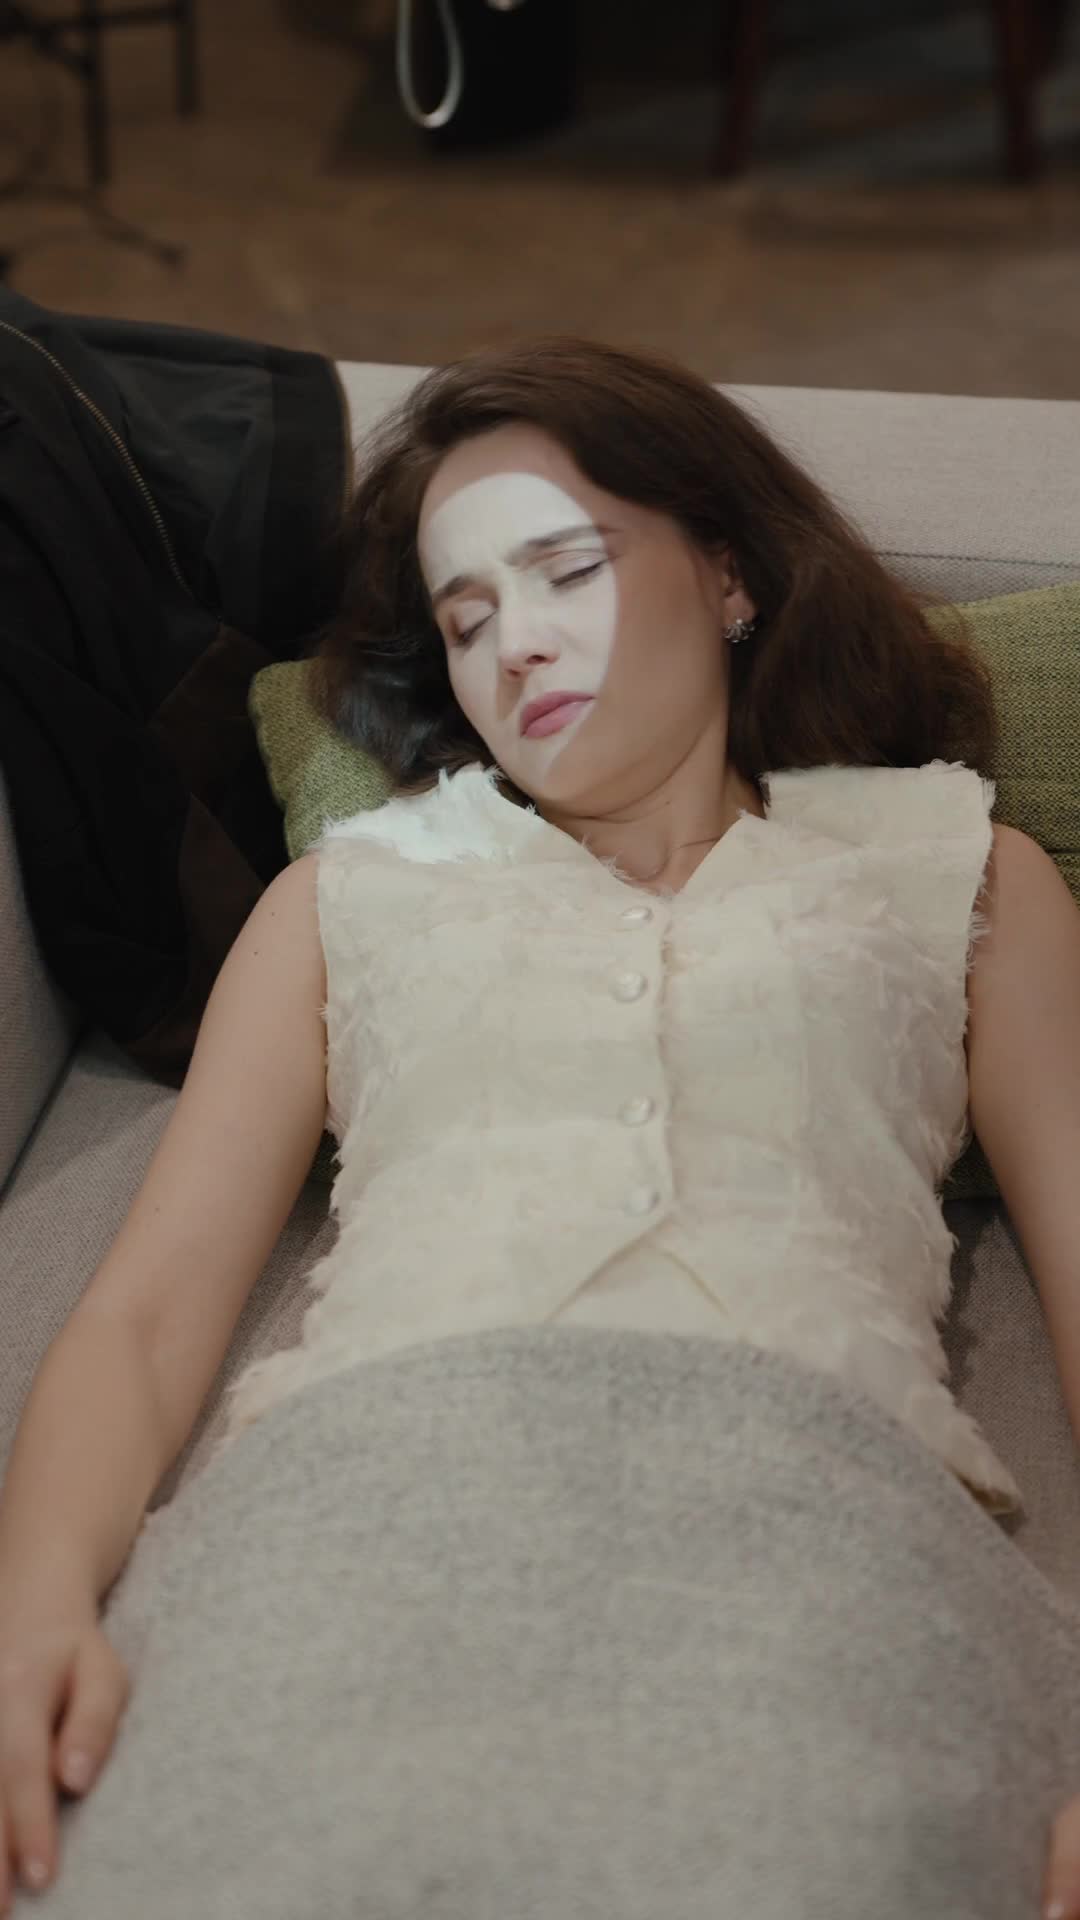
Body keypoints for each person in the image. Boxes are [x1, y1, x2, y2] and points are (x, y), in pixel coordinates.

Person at [3, 334, 1080, 1919]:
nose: (516, 644)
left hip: (811, 1540)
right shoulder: (349, 895)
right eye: (465, 618)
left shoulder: (962, 869)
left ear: (727, 574)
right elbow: (149, 1316)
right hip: (364, 1516)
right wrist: (34, 1602)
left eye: (567, 570)